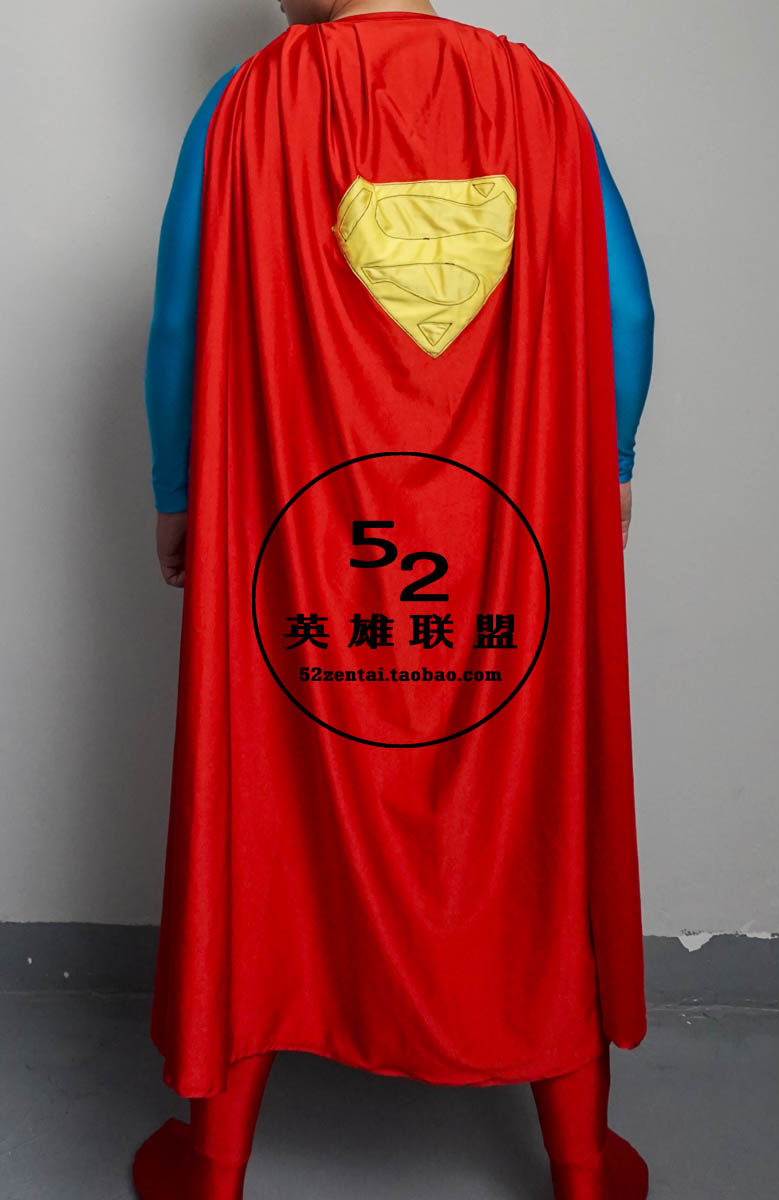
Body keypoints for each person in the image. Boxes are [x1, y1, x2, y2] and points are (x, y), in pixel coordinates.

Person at [135, 2, 656, 1198]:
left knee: (265, 804)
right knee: (527, 810)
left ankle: (214, 1164)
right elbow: (623, 310)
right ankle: (579, 1163)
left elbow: (177, 323)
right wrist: (612, 461)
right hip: (504, 538)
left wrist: (176, 488)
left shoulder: (244, 106)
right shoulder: (538, 99)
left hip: (298, 540)